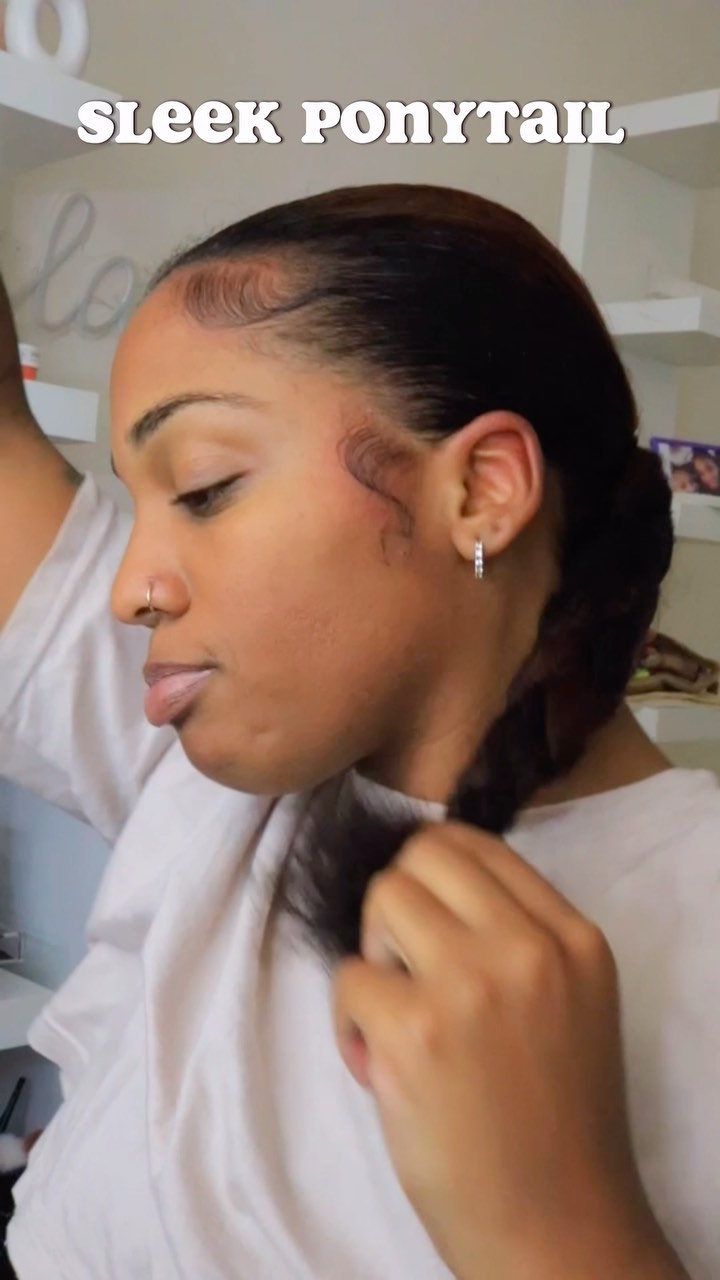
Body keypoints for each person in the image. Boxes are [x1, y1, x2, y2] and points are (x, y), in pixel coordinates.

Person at [0, 183, 717, 1280]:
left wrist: (564, 1232)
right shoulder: (221, 765)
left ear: (481, 491)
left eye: (204, 487)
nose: (131, 587)